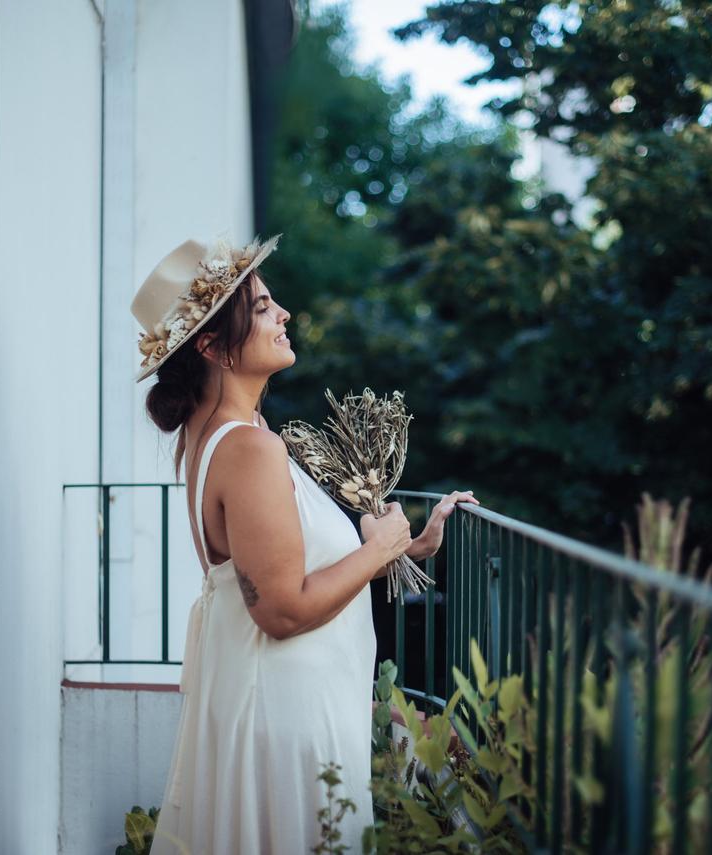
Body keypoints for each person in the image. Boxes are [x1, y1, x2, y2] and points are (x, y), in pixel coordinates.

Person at [131, 235, 480, 854]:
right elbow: (283, 609)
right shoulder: (247, 447)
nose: (284, 313)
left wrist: (407, 546)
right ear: (211, 346)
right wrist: (376, 549)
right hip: (287, 714)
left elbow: (285, 568)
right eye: (262, 307)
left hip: (292, 697)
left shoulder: (227, 434)